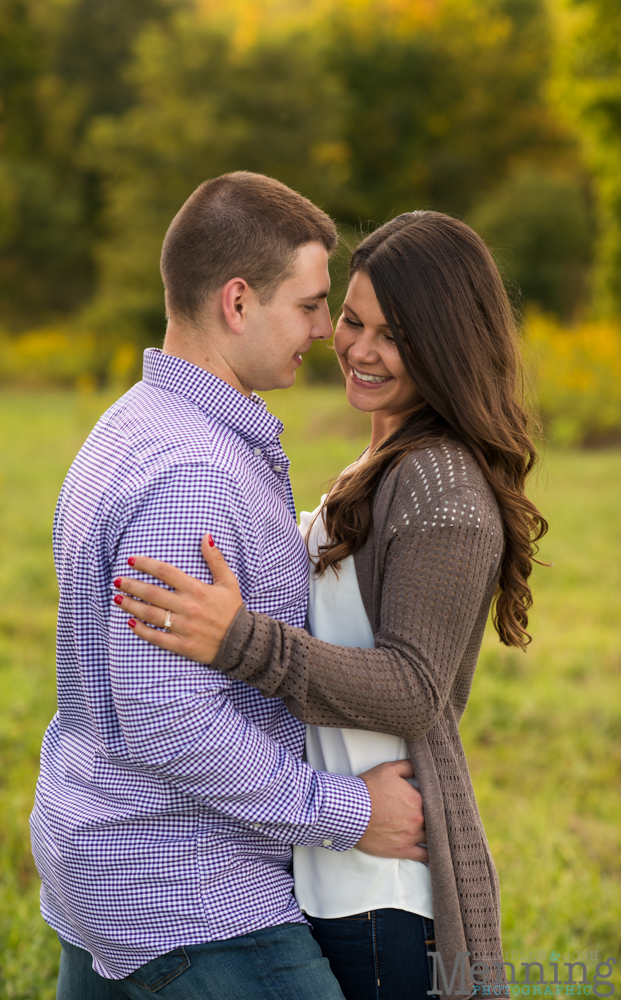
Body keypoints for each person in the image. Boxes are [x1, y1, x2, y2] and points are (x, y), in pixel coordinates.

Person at [112, 211, 548, 1000]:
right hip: (330, 865)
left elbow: (414, 689)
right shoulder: (378, 464)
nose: (357, 347)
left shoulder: (439, 483)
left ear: (449, 343)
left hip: (382, 893)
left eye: (398, 335)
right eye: (350, 318)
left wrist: (242, 640)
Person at [30, 172, 429, 1000]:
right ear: (238, 303)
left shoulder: (133, 422)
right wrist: (352, 813)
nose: (326, 333)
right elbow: (171, 720)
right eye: (311, 305)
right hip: (189, 891)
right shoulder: (193, 473)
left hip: (105, 861)